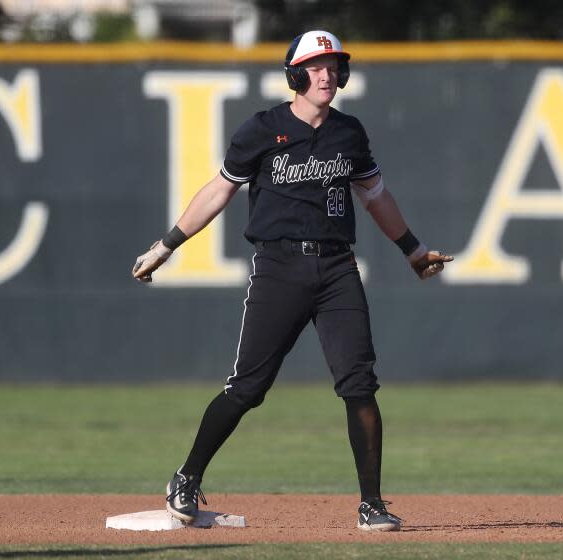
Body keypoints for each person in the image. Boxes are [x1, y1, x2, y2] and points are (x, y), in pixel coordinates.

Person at [132, 30, 452, 532]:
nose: (327, 74)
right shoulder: (262, 129)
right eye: (317, 66)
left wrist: (411, 250)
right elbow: (219, 190)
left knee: (359, 384)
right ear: (295, 75)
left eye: (334, 65)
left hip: (337, 268)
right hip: (279, 268)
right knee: (247, 388)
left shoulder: (349, 133)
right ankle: (186, 477)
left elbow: (375, 197)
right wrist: (166, 245)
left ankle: (372, 503)